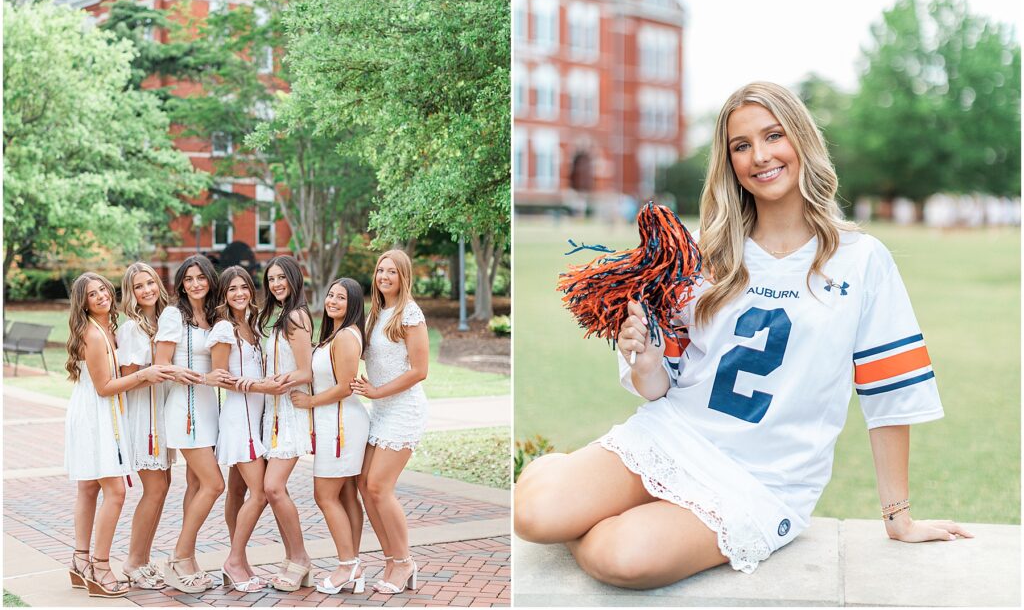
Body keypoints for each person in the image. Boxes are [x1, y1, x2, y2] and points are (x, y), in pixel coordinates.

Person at [514, 81, 973, 589]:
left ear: (801, 140)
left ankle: (606, 512)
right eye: (741, 145)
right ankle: (566, 481)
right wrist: (642, 353)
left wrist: (898, 517)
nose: (760, 156)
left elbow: (889, 392)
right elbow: (657, 386)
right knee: (533, 514)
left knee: (624, 558)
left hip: (763, 479)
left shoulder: (861, 260)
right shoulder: (704, 254)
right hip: (676, 435)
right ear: (729, 160)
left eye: (773, 136)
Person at [64, 272, 175, 598]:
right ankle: (100, 567)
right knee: (115, 492)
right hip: (97, 416)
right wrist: (147, 373)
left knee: (87, 488)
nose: (100, 296)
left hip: (92, 411)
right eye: (91, 295)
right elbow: (105, 388)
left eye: (103, 290)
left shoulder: (105, 329)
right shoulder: (95, 335)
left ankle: (79, 560)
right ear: (82, 303)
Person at [115, 263, 198, 589]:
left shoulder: (164, 321)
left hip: (162, 413)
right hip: (142, 417)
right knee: (156, 489)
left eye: (150, 282)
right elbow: (124, 381)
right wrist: (150, 373)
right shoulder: (133, 329)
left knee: (161, 488)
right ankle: (133, 561)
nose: (147, 289)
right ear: (130, 292)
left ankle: (143, 559)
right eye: (138, 286)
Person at [155, 255, 235, 593]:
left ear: (210, 280)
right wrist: (200, 378)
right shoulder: (174, 315)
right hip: (184, 409)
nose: (195, 284)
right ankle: (179, 556)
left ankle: (188, 560)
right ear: (181, 284)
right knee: (215, 485)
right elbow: (161, 364)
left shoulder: (215, 316)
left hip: (208, 410)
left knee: (195, 486)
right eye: (188, 279)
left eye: (200, 277)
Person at [351, 249, 429, 595]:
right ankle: (391, 560)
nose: (384, 277)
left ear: (403, 277)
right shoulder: (375, 314)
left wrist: (377, 391)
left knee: (380, 487)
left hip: (402, 409)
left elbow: (420, 371)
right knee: (364, 485)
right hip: (379, 408)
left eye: (392, 272)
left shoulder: (409, 313)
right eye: (381, 270)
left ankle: (405, 560)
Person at [291, 277, 371, 595]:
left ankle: (347, 565)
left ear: (353, 304)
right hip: (333, 421)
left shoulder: (346, 338)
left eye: (342, 297)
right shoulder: (333, 335)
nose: (333, 301)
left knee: (324, 495)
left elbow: (344, 386)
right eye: (331, 295)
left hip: (342, 424)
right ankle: (353, 563)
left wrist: (309, 401)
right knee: (346, 495)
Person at [209, 266, 269, 592]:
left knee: (238, 491)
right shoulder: (223, 329)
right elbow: (219, 376)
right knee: (260, 494)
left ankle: (240, 560)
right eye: (232, 289)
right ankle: (234, 560)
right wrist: (258, 386)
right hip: (239, 418)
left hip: (256, 417)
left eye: (243, 287)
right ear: (224, 294)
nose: (239, 294)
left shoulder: (254, 325)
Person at [256, 255, 315, 591]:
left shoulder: (295, 316)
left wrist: (275, 381)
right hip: (273, 411)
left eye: (282, 278)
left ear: (295, 279)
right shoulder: (282, 315)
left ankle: (301, 558)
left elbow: (305, 372)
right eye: (272, 279)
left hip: (290, 411)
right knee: (275, 490)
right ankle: (294, 558)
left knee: (273, 487)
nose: (276, 284)